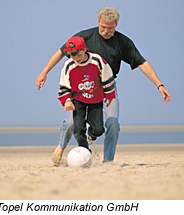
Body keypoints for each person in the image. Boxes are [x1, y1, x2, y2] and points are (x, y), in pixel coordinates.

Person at [36, 7, 171, 165]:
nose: (106, 31)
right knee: (72, 123)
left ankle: (108, 161)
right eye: (103, 27)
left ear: (116, 25)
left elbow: (141, 62)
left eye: (110, 28)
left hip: (107, 87)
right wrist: (44, 72)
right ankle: (61, 146)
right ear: (98, 22)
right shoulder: (85, 37)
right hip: (80, 88)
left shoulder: (123, 42)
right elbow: (61, 52)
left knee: (113, 123)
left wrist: (159, 85)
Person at [55, 36, 116, 165]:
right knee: (78, 129)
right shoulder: (69, 65)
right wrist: (66, 100)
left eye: (77, 54)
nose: (75, 57)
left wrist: (109, 95)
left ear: (84, 49)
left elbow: (107, 77)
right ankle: (86, 155)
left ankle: (90, 136)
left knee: (99, 129)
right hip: (78, 100)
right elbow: (64, 85)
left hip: (96, 99)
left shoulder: (96, 60)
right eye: (71, 54)